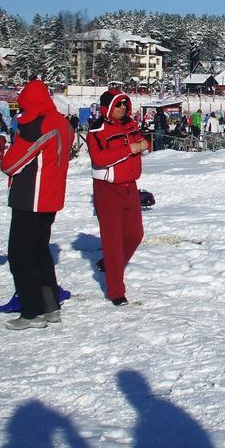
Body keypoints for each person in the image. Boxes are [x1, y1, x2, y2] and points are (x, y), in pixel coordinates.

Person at [0, 79, 72, 330]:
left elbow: (10, 163)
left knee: (20, 256)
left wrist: (13, 140)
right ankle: (50, 306)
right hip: (50, 198)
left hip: (31, 197)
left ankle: (32, 312)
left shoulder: (39, 125)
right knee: (40, 252)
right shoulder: (62, 122)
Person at [87, 89, 147, 307]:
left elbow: (142, 143)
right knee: (112, 241)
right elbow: (99, 157)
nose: (122, 108)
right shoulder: (97, 130)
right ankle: (115, 291)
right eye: (118, 105)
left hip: (131, 187)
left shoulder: (131, 125)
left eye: (125, 104)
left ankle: (111, 264)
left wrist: (142, 146)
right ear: (108, 107)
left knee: (135, 235)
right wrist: (129, 149)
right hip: (107, 189)